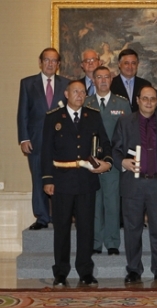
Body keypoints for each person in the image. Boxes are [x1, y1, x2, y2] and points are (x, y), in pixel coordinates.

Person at [41, 80, 113, 286]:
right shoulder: (53, 118)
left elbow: (105, 144)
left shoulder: (93, 116)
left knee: (86, 228)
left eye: (82, 92)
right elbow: (46, 151)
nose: (80, 95)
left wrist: (106, 162)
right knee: (61, 229)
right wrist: (47, 179)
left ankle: (85, 271)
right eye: (75, 91)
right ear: (66, 94)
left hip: (86, 182)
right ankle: (61, 272)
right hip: (61, 182)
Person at [111, 86, 157, 284]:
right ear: (137, 100)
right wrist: (122, 162)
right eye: (145, 98)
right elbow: (114, 150)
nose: (148, 102)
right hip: (133, 185)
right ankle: (133, 269)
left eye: (152, 99)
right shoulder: (124, 122)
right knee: (132, 229)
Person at [17, 47, 70, 230]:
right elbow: (22, 113)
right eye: (46, 60)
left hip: (61, 142)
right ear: (40, 62)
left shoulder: (66, 84)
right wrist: (23, 138)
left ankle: (58, 215)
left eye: (54, 60)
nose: (50, 63)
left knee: (60, 178)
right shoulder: (27, 83)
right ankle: (41, 216)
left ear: (58, 64)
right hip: (36, 140)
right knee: (38, 177)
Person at [85, 66, 132, 255]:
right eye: (99, 77)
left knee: (112, 203)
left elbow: (129, 133)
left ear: (111, 80)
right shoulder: (86, 102)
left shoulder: (121, 103)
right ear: (93, 80)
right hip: (91, 162)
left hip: (113, 162)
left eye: (106, 77)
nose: (103, 80)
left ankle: (112, 242)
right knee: (94, 203)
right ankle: (95, 242)